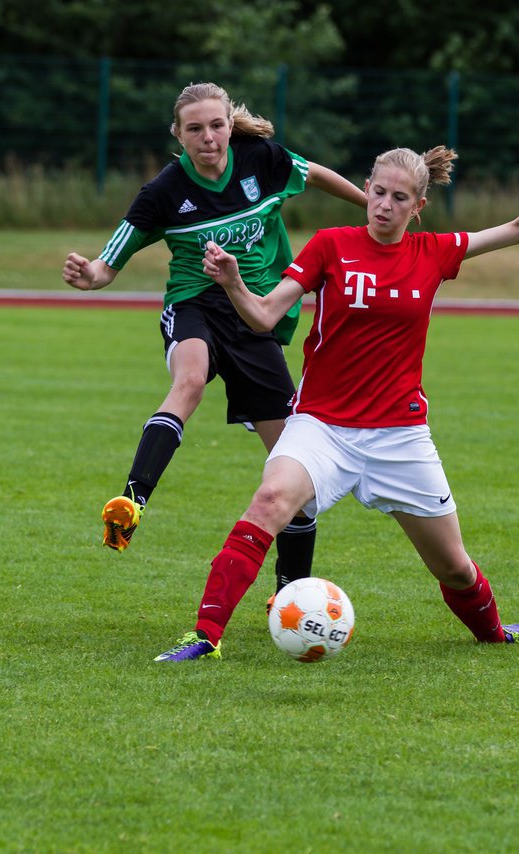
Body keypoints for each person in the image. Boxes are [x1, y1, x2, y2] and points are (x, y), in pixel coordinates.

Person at [151, 141, 519, 661]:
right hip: (320, 426)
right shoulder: (330, 245)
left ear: (417, 207)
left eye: (399, 198)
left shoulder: (432, 252)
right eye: (377, 192)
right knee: (268, 502)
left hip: (400, 435)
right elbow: (263, 317)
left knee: (454, 567)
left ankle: (497, 634)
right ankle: (205, 637)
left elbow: (518, 229)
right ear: (367, 189)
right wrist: (235, 284)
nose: (383, 205)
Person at [62, 82, 366, 593]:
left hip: (252, 315)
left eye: (216, 125)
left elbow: (314, 174)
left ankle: (290, 593)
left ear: (230, 124)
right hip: (195, 304)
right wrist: (87, 274)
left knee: (295, 479)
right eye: (195, 129)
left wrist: (368, 204)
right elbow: (108, 263)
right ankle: (132, 502)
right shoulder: (162, 193)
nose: (208, 137)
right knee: (191, 381)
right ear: (178, 136)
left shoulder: (260, 158)